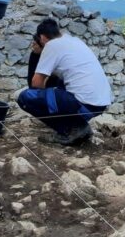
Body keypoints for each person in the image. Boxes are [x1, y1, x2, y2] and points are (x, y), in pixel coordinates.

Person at [17, 18, 111, 146]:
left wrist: (35, 55)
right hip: (100, 104)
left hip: (83, 105)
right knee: (59, 83)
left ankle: (69, 131)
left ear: (43, 38)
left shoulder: (51, 45)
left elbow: (35, 85)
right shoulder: (74, 41)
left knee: (25, 98)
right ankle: (77, 125)